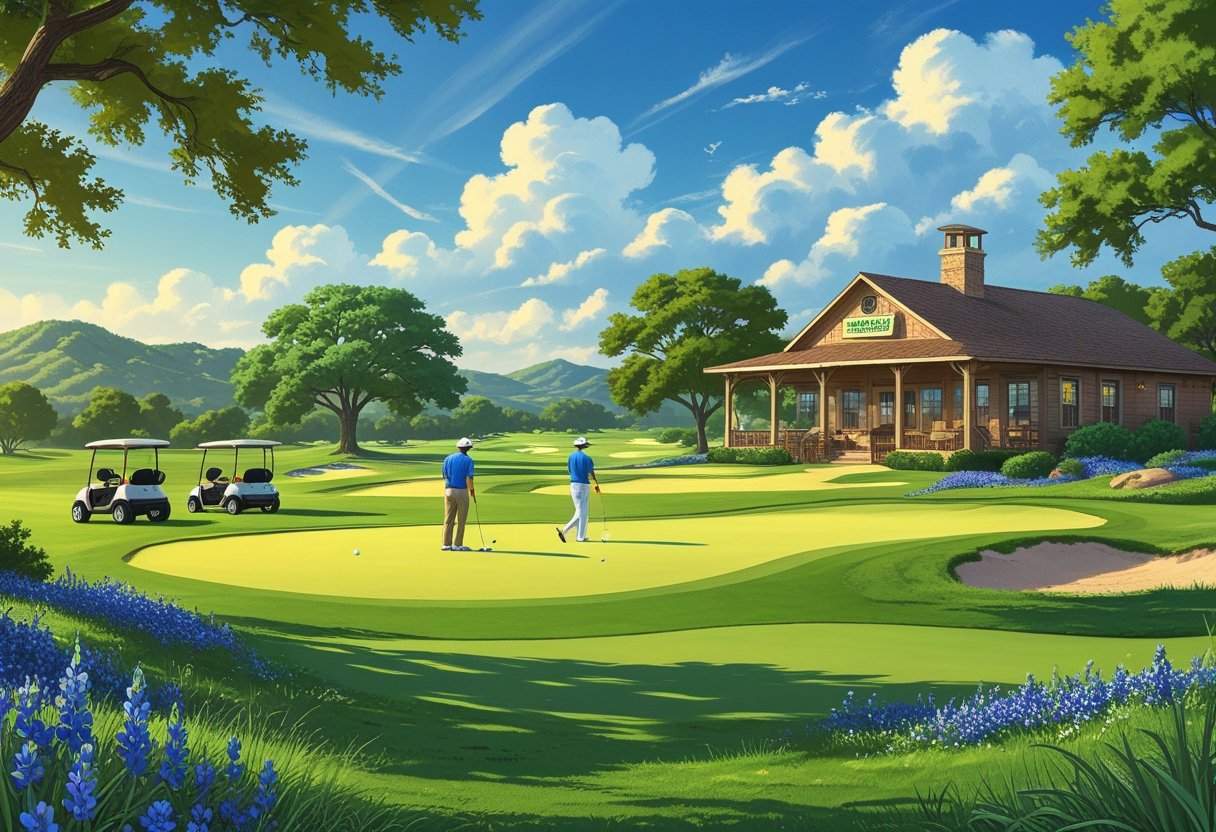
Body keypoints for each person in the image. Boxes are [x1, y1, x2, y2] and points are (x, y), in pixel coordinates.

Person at [556, 436, 599, 543]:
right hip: (583, 485)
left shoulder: (571, 456)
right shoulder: (587, 458)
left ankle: (580, 537)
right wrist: (595, 481)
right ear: (584, 446)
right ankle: (564, 530)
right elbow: (591, 473)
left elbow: (569, 471)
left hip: (573, 484)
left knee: (582, 512)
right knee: (581, 511)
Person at [442, 437, 476, 551]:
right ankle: (457, 545)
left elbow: (444, 475)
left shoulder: (448, 458)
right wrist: (471, 491)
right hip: (461, 491)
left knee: (448, 518)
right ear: (468, 448)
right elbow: (469, 478)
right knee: (461, 519)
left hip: (448, 490)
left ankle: (446, 544)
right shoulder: (469, 460)